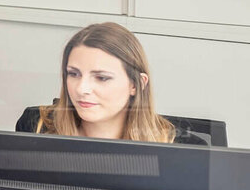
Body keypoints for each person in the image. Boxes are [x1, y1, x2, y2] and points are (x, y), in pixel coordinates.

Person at [16, 22, 206, 145]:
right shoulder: (35, 126)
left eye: (102, 78)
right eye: (73, 74)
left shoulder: (182, 147)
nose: (82, 89)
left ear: (136, 84)